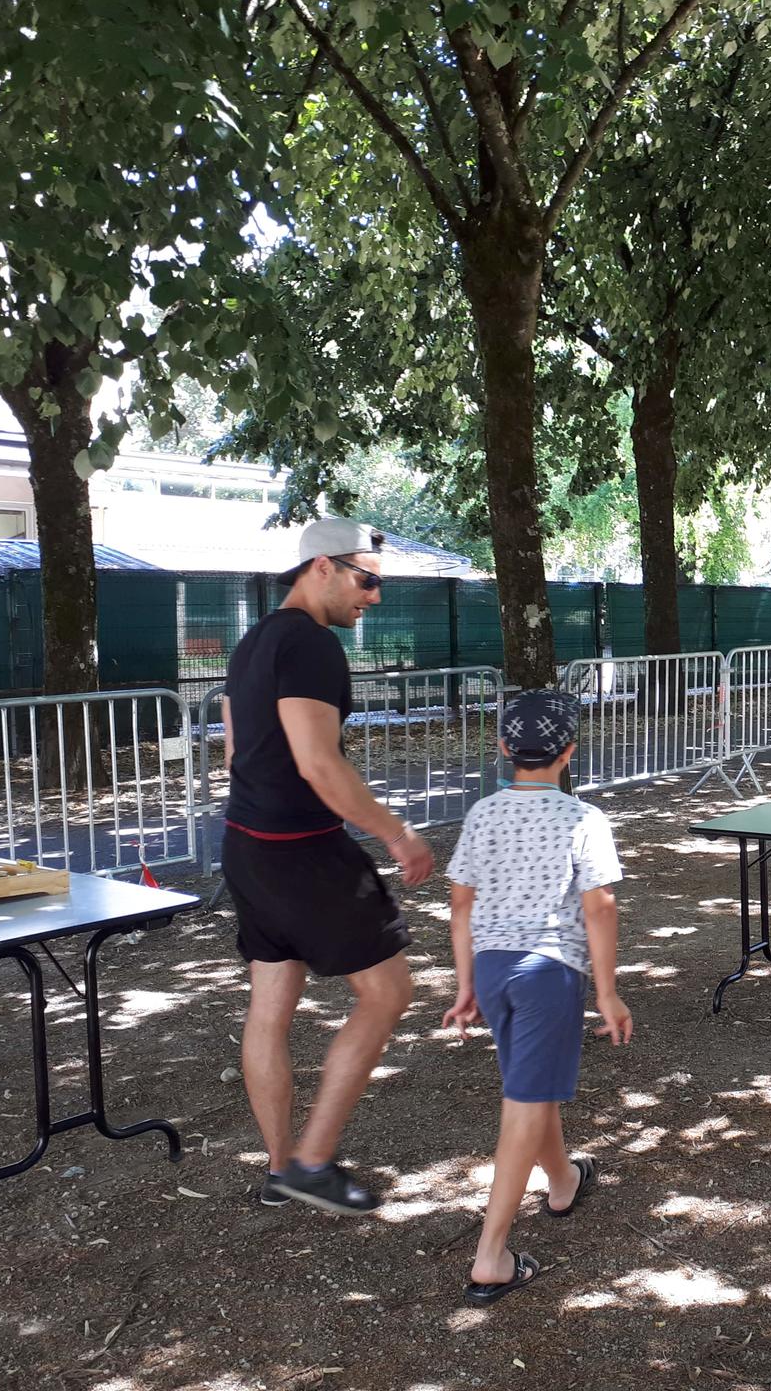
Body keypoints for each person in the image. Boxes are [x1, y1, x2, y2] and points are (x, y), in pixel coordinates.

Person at [221, 519, 434, 1215]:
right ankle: (310, 1164)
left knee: (270, 1007)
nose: (372, 597)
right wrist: (396, 835)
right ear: (321, 567)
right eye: (366, 579)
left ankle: (281, 1168)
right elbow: (319, 763)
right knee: (389, 993)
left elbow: (234, 754)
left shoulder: (253, 641)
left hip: (248, 847)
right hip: (302, 852)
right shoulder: (311, 645)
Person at [442, 690, 634, 1303]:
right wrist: (607, 991)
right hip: (550, 973)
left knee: (533, 1086)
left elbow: (460, 905)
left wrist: (467, 982)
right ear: (569, 752)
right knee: (523, 1103)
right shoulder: (583, 818)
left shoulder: (483, 814)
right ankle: (490, 1254)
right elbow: (599, 907)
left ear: (503, 749)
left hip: (495, 970)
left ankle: (563, 1180)